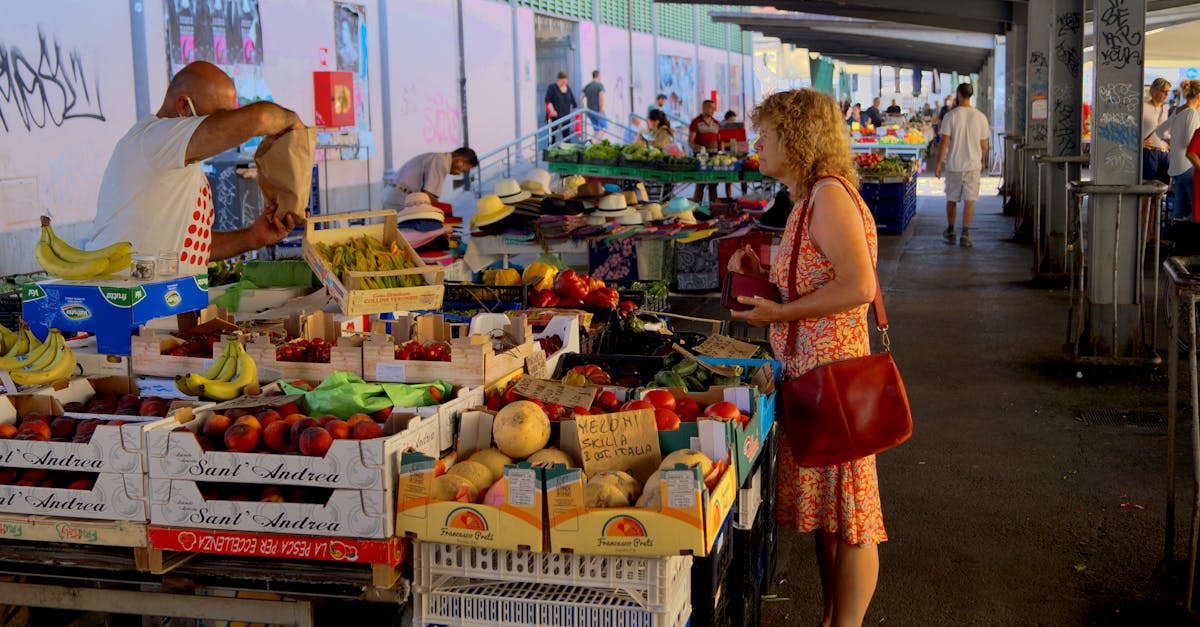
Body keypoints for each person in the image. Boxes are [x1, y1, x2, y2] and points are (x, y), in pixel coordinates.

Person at [726, 88, 884, 627]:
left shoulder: (830, 197)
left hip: (835, 381)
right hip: (811, 379)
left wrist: (780, 315)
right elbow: (815, 274)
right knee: (829, 519)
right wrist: (766, 274)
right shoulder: (809, 197)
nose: (757, 145)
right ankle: (831, 617)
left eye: (766, 135)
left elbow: (860, 286)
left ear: (796, 138)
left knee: (853, 519)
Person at [89, 61, 304, 274]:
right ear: (184, 106)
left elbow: (191, 246)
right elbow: (257, 118)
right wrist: (291, 121)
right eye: (222, 118)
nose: (229, 128)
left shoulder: (181, 162)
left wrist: (252, 237)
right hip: (127, 304)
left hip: (170, 301)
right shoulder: (153, 139)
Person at [935, 82, 990, 248]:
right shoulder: (980, 117)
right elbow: (984, 144)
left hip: (954, 165)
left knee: (951, 198)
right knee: (970, 200)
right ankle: (965, 233)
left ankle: (951, 229)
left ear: (959, 94)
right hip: (973, 165)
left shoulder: (950, 116)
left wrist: (938, 164)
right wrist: (982, 161)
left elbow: (944, 142)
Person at [1156, 80, 1200, 220]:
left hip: (1176, 167)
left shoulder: (1178, 110)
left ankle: (1174, 239)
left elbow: (1160, 131)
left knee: (1179, 208)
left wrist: (1171, 140)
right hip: (1188, 166)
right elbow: (1189, 142)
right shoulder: (1192, 113)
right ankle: (1188, 237)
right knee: (1196, 207)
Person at [383, 147, 478, 208]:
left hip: (395, 193)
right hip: (398, 196)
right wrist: (443, 213)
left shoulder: (439, 158)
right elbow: (430, 194)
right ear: (459, 160)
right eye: (463, 170)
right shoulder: (441, 162)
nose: (459, 174)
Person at [689, 99, 721, 204]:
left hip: (714, 157)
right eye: (710, 107)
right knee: (700, 184)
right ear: (703, 108)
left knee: (713, 185)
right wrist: (696, 147)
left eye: (713, 108)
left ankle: (714, 210)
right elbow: (691, 141)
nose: (712, 110)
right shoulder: (696, 122)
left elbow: (720, 140)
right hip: (701, 158)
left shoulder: (717, 123)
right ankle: (696, 209)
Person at [1143, 77, 1172, 184]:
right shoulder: (1143, 107)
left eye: (1168, 91)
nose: (1167, 94)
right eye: (1164, 91)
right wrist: (1139, 143)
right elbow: (1130, 128)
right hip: (1150, 152)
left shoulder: (1167, 109)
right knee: (1148, 188)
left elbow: (1167, 131)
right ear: (1154, 91)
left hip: (1165, 153)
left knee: (1163, 188)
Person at [544, 71, 577, 143]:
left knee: (567, 136)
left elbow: (573, 102)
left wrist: (577, 113)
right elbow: (547, 100)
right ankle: (550, 152)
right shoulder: (552, 87)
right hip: (554, 117)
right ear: (559, 80)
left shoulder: (568, 88)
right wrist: (552, 110)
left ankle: (568, 153)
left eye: (566, 81)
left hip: (565, 116)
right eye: (563, 81)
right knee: (552, 137)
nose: (564, 83)